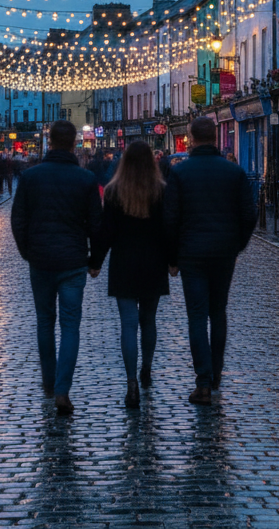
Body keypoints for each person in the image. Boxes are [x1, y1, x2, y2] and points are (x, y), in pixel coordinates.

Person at [11, 120, 103, 415]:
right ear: (74, 142)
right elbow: (96, 225)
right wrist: (95, 259)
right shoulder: (85, 179)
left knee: (44, 322)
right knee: (70, 325)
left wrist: (27, 252)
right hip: (74, 261)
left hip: (41, 261)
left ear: (49, 142)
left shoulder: (30, 177)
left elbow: (18, 221)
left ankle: (49, 382)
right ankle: (63, 389)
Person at [164, 117, 257, 406]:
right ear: (215, 137)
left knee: (196, 315)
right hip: (223, 252)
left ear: (191, 138)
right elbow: (249, 214)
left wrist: (172, 257)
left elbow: (170, 219)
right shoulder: (234, 172)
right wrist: (237, 244)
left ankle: (202, 381)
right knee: (218, 312)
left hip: (192, 253)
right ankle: (215, 374)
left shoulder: (180, 174)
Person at [91, 141, 170, 410]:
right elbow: (166, 230)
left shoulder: (114, 192)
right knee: (149, 321)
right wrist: (173, 261)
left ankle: (131, 383)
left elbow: (106, 231)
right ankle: (146, 368)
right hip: (153, 262)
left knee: (128, 324)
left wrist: (96, 261)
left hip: (124, 262)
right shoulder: (160, 191)